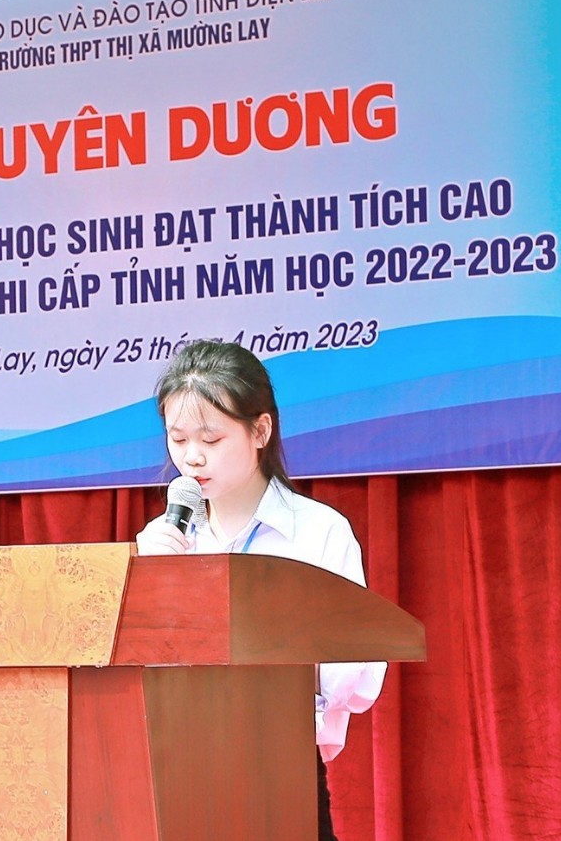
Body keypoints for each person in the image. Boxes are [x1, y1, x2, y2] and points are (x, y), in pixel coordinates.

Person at [135, 339, 386, 841]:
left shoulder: (317, 532)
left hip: (279, 768)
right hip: (175, 770)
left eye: (211, 439)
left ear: (260, 431)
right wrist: (147, 581)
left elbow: (354, 672)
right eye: (178, 439)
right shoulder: (162, 541)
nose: (191, 457)